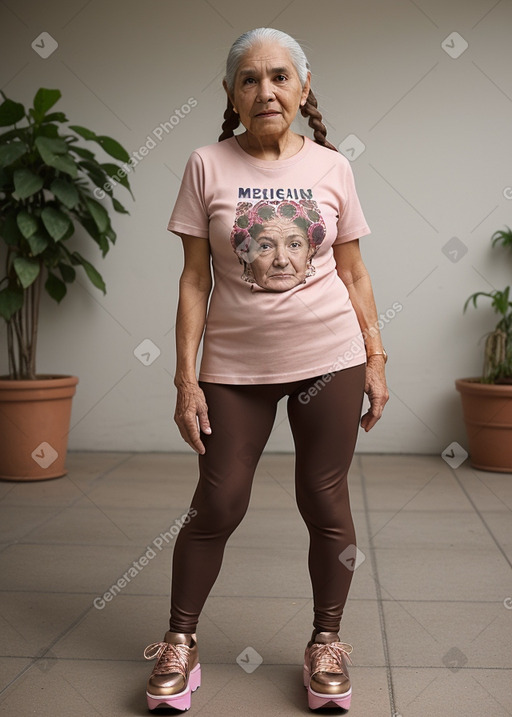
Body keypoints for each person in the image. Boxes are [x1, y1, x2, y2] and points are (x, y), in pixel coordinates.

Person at [143, 27, 389, 712]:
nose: (266, 90)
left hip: (330, 356)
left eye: (280, 76)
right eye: (249, 79)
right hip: (235, 365)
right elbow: (195, 281)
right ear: (231, 94)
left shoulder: (333, 167)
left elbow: (354, 272)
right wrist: (186, 378)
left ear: (303, 88)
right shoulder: (206, 165)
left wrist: (375, 355)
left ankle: (326, 641)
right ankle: (180, 641)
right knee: (219, 500)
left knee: (325, 496)